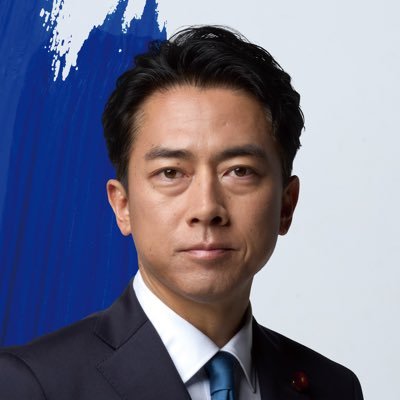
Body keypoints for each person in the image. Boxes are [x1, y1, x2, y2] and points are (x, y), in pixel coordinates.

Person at [0, 25, 363, 399]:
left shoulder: (334, 388)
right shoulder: (30, 385)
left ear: (286, 204)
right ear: (122, 205)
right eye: (171, 173)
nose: (206, 209)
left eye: (239, 171)